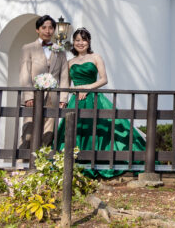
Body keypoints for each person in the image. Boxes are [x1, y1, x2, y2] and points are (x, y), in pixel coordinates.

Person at [56, 28, 146, 178]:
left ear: (89, 41)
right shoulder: (69, 62)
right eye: (77, 40)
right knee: (75, 129)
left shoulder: (96, 57)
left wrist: (87, 88)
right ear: (73, 42)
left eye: (84, 40)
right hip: (76, 100)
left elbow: (104, 79)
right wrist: (71, 94)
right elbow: (65, 84)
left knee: (100, 128)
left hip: (94, 98)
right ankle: (75, 164)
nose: (80, 43)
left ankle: (99, 161)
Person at [19, 15, 69, 147]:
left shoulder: (60, 51)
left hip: (52, 98)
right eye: (44, 27)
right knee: (28, 133)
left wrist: (63, 98)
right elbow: (25, 73)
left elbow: (64, 76)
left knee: (48, 133)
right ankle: (21, 163)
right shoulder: (28, 48)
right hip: (33, 97)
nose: (48, 31)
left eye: (51, 28)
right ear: (37, 30)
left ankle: (42, 165)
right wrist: (28, 95)